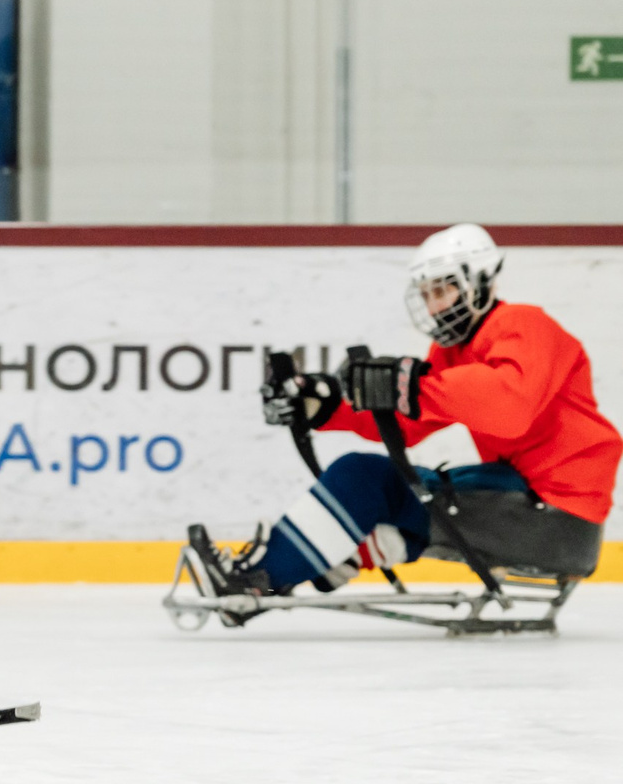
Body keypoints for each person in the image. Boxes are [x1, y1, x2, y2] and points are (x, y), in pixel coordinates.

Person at [191, 223, 614, 607]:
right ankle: (318, 561)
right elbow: (408, 425)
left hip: (554, 515)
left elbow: (509, 408)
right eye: (427, 294)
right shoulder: (453, 350)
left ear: (479, 281)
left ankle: (260, 579)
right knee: (376, 480)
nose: (433, 306)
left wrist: (412, 387)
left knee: (369, 479)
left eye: (443, 290)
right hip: (525, 501)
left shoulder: (524, 324)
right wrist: (325, 406)